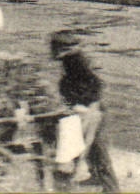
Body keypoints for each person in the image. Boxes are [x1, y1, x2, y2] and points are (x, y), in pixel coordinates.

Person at [50, 31, 119, 192]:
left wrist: (85, 106)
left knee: (99, 154)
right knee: (95, 153)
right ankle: (99, 181)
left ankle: (111, 189)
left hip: (92, 110)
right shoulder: (73, 60)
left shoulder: (76, 62)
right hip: (88, 108)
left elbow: (94, 87)